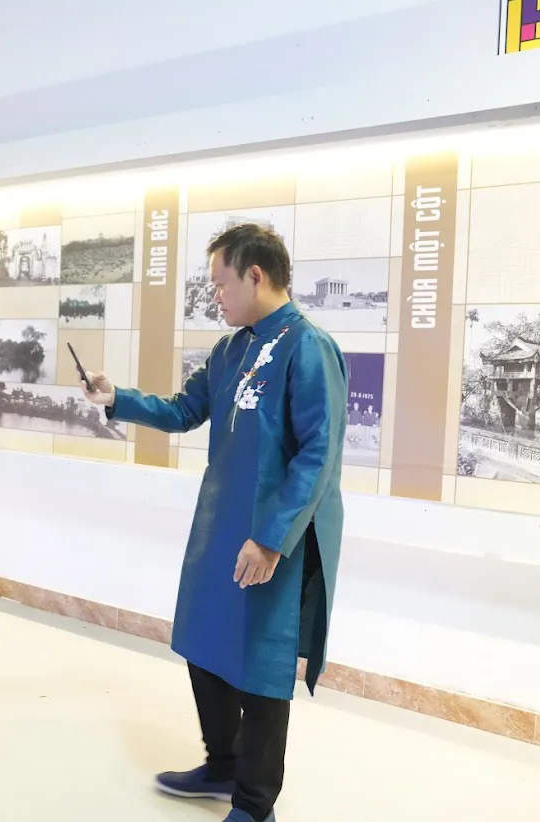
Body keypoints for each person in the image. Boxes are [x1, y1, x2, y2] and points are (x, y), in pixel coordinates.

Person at [81, 223, 347, 822]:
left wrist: (271, 540)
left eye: (221, 283)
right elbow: (183, 410)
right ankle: (222, 766)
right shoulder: (230, 350)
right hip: (221, 526)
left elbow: (318, 454)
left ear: (255, 275)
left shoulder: (309, 347)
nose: (215, 296)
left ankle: (254, 805)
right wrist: (116, 397)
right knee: (204, 642)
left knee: (262, 668)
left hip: (275, 536)